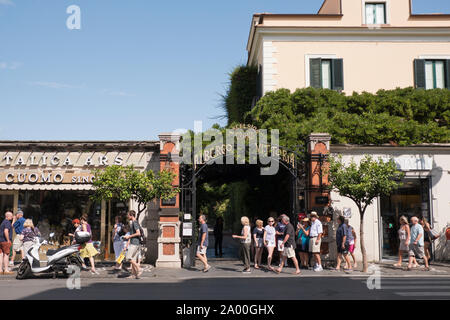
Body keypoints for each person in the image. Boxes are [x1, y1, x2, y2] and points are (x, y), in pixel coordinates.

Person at [123, 210, 143, 279]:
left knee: (128, 258)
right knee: (133, 259)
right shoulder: (133, 222)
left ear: (131, 215)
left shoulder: (135, 222)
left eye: (128, 215)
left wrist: (129, 236)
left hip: (134, 243)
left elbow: (138, 233)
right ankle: (134, 274)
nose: (127, 216)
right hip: (134, 242)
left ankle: (139, 268)